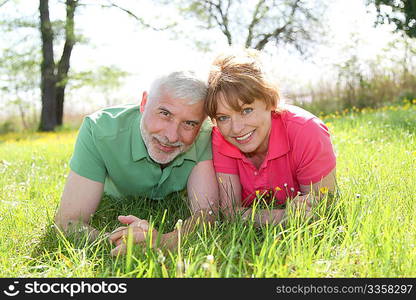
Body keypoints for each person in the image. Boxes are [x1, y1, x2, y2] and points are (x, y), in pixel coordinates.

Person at [55, 70, 219, 256]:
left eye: (189, 124)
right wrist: (118, 242)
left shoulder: (206, 134)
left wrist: (166, 241)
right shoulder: (98, 130)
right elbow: (67, 221)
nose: (171, 136)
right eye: (164, 113)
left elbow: (207, 213)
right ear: (144, 103)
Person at [204, 49, 336, 225]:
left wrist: (307, 211)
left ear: (270, 101)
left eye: (246, 110)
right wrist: (283, 217)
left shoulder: (307, 132)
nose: (236, 129)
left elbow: (324, 209)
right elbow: (229, 213)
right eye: (223, 117)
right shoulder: (220, 137)